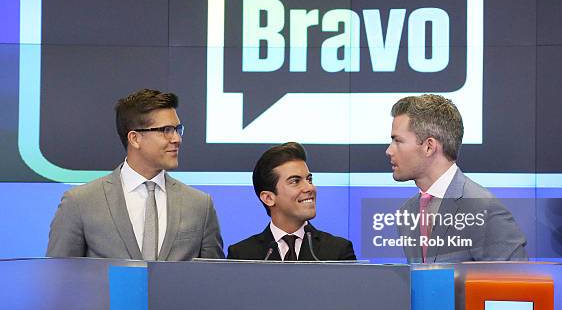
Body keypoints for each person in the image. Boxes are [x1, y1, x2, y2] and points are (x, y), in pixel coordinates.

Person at [46, 89, 224, 260]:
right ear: (135, 138)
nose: (177, 139)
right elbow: (59, 278)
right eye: (166, 130)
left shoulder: (200, 205)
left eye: (178, 129)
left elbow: (213, 281)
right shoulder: (80, 203)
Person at [386, 94, 527, 263]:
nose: (389, 151)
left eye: (398, 141)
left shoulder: (483, 209)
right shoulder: (407, 212)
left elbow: (517, 285)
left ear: (429, 146)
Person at [227, 142, 355, 261]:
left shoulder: (339, 252)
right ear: (268, 198)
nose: (309, 188)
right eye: (295, 181)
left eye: (309, 180)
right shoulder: (241, 255)